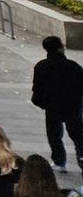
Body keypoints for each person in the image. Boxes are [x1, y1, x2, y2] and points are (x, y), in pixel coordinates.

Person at [30, 35, 83, 171]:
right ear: (60, 48)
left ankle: (59, 161)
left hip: (52, 106)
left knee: (54, 134)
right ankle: (81, 158)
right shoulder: (73, 66)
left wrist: (43, 103)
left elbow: (37, 90)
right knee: (78, 135)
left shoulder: (41, 67)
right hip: (73, 106)